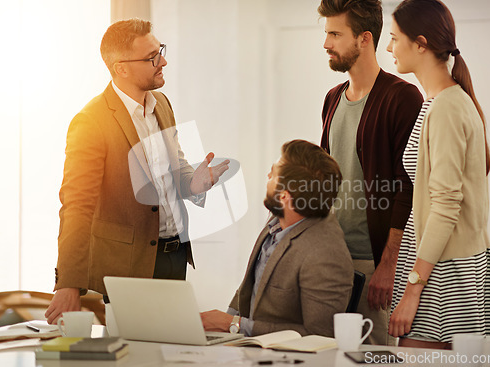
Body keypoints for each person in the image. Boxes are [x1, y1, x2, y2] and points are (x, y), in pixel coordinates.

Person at [45, 18, 229, 324]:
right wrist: (68, 282)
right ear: (122, 68)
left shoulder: (162, 105)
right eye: (152, 57)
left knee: (172, 350)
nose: (163, 61)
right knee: (137, 354)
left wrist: (193, 182)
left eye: (161, 51)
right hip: (129, 266)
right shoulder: (91, 121)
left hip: (175, 255)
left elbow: (172, 174)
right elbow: (76, 206)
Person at [387, 0, 490, 349]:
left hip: (442, 272)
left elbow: (446, 204)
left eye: (394, 38)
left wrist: (413, 288)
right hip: (438, 266)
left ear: (420, 43)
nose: (389, 48)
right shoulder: (439, 101)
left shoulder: (448, 106)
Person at [317, 0, 423, 345]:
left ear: (364, 38)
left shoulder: (403, 98)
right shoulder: (333, 98)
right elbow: (324, 177)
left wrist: (388, 266)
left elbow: (406, 190)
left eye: (335, 33)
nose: (326, 43)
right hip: (331, 260)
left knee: (375, 356)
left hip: (373, 264)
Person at [201, 140, 353, 337]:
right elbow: (247, 290)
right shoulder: (276, 221)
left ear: (284, 197)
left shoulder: (325, 254)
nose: (268, 176)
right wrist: (218, 330)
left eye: (273, 174)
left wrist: (233, 324)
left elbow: (319, 335)